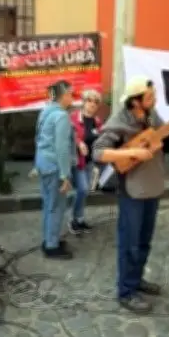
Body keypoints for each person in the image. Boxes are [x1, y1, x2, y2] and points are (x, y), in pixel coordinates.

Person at [92, 76, 169, 314]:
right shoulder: (119, 122)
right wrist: (135, 150)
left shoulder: (152, 117)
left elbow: (166, 145)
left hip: (153, 185)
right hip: (132, 190)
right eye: (149, 97)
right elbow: (97, 152)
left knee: (145, 240)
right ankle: (126, 292)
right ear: (135, 101)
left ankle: (136, 280)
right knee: (130, 243)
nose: (154, 99)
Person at [34, 80, 78, 260]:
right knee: (56, 206)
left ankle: (49, 239)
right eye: (70, 94)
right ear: (63, 95)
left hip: (44, 164)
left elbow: (38, 138)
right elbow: (62, 148)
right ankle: (52, 245)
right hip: (54, 166)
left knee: (48, 205)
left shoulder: (45, 111)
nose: (72, 97)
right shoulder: (61, 116)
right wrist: (65, 175)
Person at [68, 89, 103, 234]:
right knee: (81, 189)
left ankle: (80, 220)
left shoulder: (97, 121)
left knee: (85, 191)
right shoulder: (74, 118)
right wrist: (79, 143)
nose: (92, 104)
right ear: (84, 102)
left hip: (90, 162)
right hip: (77, 161)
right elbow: (69, 135)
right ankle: (72, 219)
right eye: (89, 100)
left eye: (96, 102)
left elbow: (102, 139)